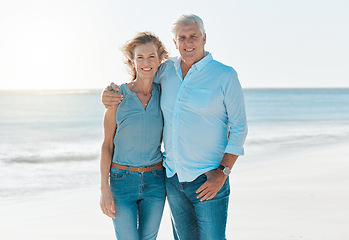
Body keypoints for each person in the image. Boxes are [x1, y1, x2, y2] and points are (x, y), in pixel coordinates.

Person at [102, 14, 248, 240]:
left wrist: (223, 172)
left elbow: (239, 129)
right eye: (182, 38)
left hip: (208, 178)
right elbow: (141, 78)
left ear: (204, 38)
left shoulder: (225, 75)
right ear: (175, 43)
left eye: (193, 36)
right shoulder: (166, 71)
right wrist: (109, 93)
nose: (188, 42)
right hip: (172, 179)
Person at [99, 32, 169, 240]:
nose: (146, 62)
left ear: (159, 60)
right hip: (122, 181)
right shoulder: (117, 95)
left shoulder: (165, 94)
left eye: (151, 56)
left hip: (156, 181)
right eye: (140, 57)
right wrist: (104, 188)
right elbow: (107, 145)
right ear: (132, 61)